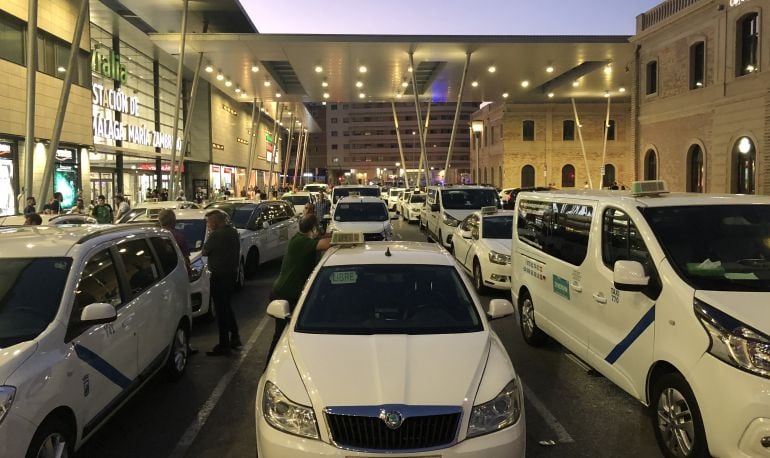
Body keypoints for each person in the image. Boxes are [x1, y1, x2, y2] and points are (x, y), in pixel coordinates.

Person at [268, 214, 332, 357]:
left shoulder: (300, 239)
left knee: (283, 332)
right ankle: (269, 364)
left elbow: (320, 240)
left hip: (286, 291)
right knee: (281, 335)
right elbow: (325, 244)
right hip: (286, 293)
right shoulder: (302, 242)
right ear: (314, 228)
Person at [202, 209, 241, 356]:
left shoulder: (216, 235)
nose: (208, 225)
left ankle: (224, 343)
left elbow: (205, 251)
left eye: (209, 222)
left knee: (221, 310)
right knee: (226, 307)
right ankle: (234, 336)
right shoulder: (232, 232)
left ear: (215, 222)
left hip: (219, 276)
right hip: (231, 274)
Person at [158, 209, 191, 274]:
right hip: (176, 274)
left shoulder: (155, 236)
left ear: (160, 221)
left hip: (161, 274)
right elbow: (186, 260)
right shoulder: (179, 237)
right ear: (174, 221)